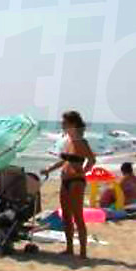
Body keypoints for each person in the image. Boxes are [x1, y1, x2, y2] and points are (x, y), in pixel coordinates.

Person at [42, 110, 96, 258]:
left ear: (73, 124)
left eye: (65, 122)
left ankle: (83, 252)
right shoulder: (69, 141)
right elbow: (64, 161)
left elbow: (92, 159)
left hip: (76, 181)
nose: (62, 124)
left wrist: (83, 172)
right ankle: (69, 248)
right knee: (66, 216)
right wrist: (49, 169)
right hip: (65, 180)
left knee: (77, 216)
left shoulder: (81, 142)